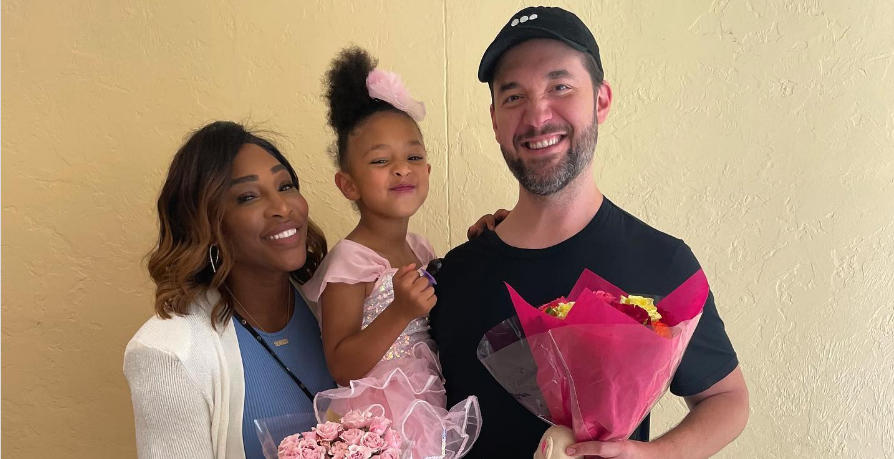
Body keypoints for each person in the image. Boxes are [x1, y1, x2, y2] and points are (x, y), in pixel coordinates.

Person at [429, 6, 749, 459]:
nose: (538, 116)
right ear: (496, 119)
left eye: (560, 87)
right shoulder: (451, 277)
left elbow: (727, 398)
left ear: (601, 99)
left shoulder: (662, 261)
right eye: (514, 96)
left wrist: (658, 455)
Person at [302, 47, 481, 458]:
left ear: (428, 172)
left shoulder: (419, 247)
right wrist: (399, 312)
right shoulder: (350, 260)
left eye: (414, 156)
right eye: (381, 160)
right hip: (378, 416)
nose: (402, 168)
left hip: (425, 400)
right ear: (348, 185)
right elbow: (341, 364)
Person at [123, 121, 337, 459]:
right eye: (248, 196)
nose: (282, 207)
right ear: (206, 222)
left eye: (285, 186)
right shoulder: (169, 352)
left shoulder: (335, 304)